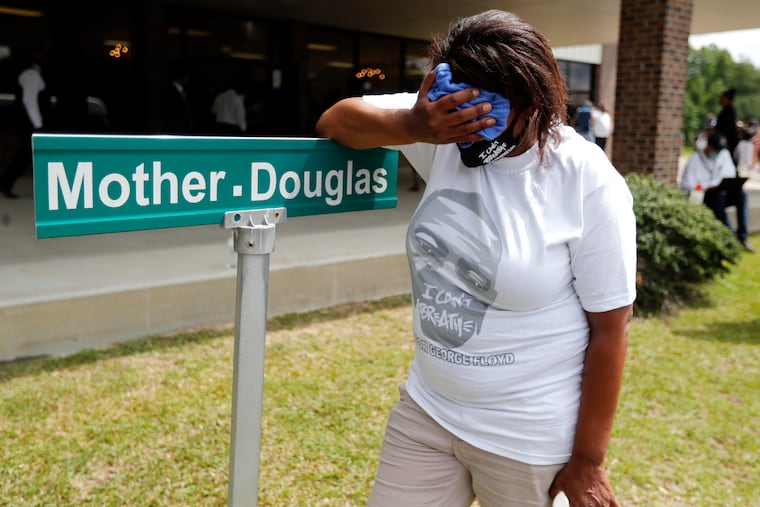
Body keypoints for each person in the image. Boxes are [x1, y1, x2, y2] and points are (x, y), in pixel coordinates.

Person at [316, 10, 636, 507]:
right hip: (428, 410)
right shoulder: (443, 126)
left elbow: (611, 328)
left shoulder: (584, 179)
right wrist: (413, 124)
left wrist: (588, 463)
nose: (469, 127)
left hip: (526, 437)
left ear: (532, 104)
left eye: (484, 111)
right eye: (457, 106)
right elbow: (335, 121)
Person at [681, 132, 754, 252]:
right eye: (716, 149)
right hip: (704, 196)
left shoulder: (723, 154)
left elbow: (729, 173)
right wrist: (708, 186)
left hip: (721, 192)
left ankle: (742, 236)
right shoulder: (695, 159)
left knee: (741, 194)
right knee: (718, 197)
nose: (718, 153)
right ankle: (730, 236)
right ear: (709, 146)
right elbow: (688, 184)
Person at [0, 47, 48, 199]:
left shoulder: (34, 72)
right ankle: (5, 182)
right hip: (30, 121)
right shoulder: (31, 73)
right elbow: (29, 100)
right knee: (26, 154)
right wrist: (38, 124)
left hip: (29, 120)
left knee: (29, 154)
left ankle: (6, 182)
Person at [161, 63, 194, 134]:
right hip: (174, 132)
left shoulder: (184, 92)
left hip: (183, 132)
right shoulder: (169, 92)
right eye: (188, 76)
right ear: (184, 76)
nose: (189, 79)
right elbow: (170, 114)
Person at [714, 88, 738, 163]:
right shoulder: (726, 110)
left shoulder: (729, 111)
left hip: (727, 141)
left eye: (722, 98)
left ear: (726, 99)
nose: (720, 99)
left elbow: (726, 128)